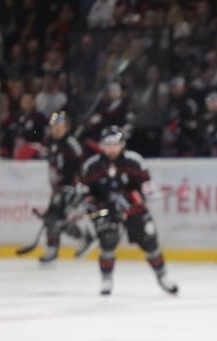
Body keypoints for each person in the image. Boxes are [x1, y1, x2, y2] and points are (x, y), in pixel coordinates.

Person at [79, 126, 178, 297]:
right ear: (101, 145)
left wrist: (130, 198)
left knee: (150, 242)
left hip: (135, 211)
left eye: (115, 144)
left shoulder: (135, 161)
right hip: (107, 211)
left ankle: (163, 277)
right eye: (107, 144)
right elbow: (85, 194)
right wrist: (94, 208)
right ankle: (106, 279)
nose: (111, 148)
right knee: (108, 241)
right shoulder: (92, 166)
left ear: (122, 144)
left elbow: (147, 190)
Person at [38, 111, 95, 265]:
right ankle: (84, 238)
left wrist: (81, 186)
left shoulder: (70, 143)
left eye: (60, 125)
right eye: (54, 125)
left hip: (70, 187)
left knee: (53, 218)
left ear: (67, 127)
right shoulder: (51, 143)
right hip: (59, 188)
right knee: (55, 219)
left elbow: (83, 165)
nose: (56, 128)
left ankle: (53, 249)